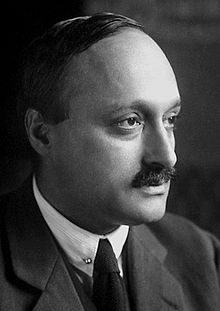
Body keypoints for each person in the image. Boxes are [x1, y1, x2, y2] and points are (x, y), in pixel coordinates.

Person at [0, 12, 219, 311]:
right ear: (42, 134)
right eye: (130, 122)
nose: (167, 156)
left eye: (170, 119)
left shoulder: (205, 259)